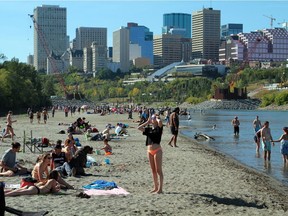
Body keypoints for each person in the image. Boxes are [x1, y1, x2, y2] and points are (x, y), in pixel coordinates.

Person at [138, 114, 164, 194]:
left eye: (153, 118)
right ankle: (155, 187)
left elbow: (160, 123)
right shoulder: (149, 129)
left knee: (158, 170)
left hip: (157, 150)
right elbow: (139, 128)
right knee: (153, 170)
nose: (152, 119)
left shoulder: (159, 128)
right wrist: (147, 122)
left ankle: (160, 189)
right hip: (149, 151)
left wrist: (157, 118)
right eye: (152, 118)